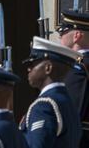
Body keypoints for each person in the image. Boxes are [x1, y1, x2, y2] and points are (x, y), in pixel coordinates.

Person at [19, 36, 82, 148]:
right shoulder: (66, 101)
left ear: (48, 68)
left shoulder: (43, 106)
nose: (29, 69)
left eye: (32, 64)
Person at [57, 10, 89, 148]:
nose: (60, 37)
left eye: (62, 32)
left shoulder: (79, 69)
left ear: (76, 35)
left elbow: (71, 115)